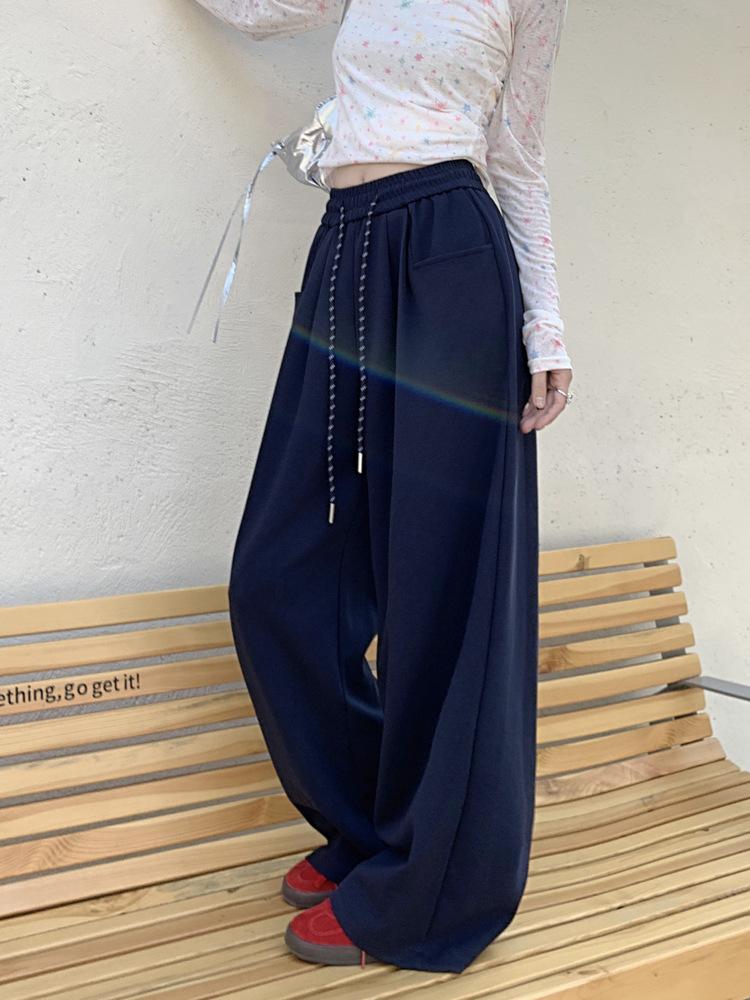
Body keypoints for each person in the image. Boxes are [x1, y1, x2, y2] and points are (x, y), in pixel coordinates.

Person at [191, 0, 574, 974]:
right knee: (279, 576)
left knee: (444, 592)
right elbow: (257, 11)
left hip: (453, 260)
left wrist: (546, 328)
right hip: (348, 248)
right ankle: (375, 826)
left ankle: (432, 891)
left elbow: (518, 156)